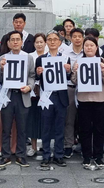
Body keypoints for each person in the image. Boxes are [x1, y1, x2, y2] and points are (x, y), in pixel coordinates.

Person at [71, 36, 104, 169]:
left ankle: (98, 156)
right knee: (85, 129)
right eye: (86, 45)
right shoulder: (79, 61)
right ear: (83, 48)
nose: (89, 48)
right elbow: (74, 81)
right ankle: (87, 155)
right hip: (84, 100)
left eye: (91, 45)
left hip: (100, 100)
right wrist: (76, 71)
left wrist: (103, 71)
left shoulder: (103, 61)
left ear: (96, 48)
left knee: (99, 129)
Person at [0, 31, 36, 168]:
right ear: (8, 43)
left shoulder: (28, 57)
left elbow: (32, 75)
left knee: (22, 128)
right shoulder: (3, 57)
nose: (15, 42)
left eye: (17, 39)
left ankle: (21, 155)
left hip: (22, 95)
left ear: (22, 42)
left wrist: (29, 87)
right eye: (12, 40)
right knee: (6, 127)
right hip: (7, 95)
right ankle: (5, 155)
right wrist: (1, 69)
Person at [35, 31, 71, 167]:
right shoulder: (40, 59)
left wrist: (68, 71)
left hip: (61, 96)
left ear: (60, 42)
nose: (52, 42)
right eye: (49, 39)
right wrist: (39, 73)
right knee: (46, 127)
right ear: (46, 42)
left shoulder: (65, 58)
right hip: (46, 96)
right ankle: (45, 154)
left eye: (55, 39)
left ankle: (59, 154)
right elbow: (37, 78)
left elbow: (69, 78)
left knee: (59, 127)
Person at [62, 28, 85, 158]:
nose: (77, 38)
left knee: (83, 118)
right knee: (69, 119)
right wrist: (69, 70)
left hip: (85, 90)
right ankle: (68, 145)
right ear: (70, 38)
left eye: (79, 36)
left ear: (82, 38)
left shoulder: (87, 52)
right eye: (74, 36)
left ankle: (83, 143)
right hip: (70, 87)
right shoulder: (64, 53)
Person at [26, 33, 47, 159]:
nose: (39, 44)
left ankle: (45, 145)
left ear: (45, 43)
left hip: (48, 92)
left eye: (41, 42)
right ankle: (33, 147)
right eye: (37, 42)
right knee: (33, 120)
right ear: (34, 44)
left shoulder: (51, 56)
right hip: (33, 92)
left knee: (46, 120)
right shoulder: (29, 57)